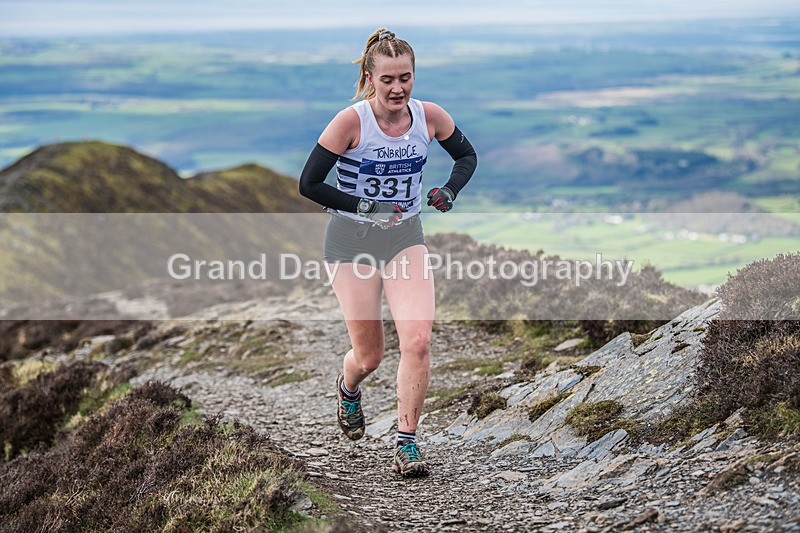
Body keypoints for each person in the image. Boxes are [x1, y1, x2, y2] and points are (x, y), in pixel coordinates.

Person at [298, 28, 477, 477]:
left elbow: (467, 156)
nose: (398, 88)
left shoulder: (429, 116)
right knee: (370, 356)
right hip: (350, 243)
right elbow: (309, 184)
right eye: (388, 80)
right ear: (369, 77)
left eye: (406, 78)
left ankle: (407, 442)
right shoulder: (350, 122)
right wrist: (365, 206)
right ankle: (348, 387)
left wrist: (449, 191)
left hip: (404, 238)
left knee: (417, 340)